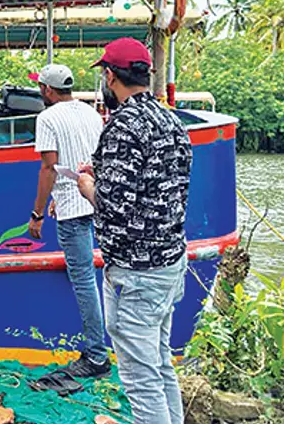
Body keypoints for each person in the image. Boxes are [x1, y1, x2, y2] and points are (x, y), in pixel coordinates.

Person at [77, 37, 192, 424]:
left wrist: (87, 185)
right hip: (170, 261)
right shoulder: (172, 121)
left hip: (136, 271)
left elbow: (113, 205)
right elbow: (161, 184)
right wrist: (104, 172)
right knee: (160, 363)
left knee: (141, 381)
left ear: (110, 76)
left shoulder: (123, 126)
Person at [25, 64, 109, 379]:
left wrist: (37, 213)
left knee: (84, 280)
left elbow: (49, 168)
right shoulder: (91, 113)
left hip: (72, 210)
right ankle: (107, 348)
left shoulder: (47, 118)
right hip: (96, 200)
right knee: (105, 276)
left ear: (47, 89)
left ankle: (97, 355)